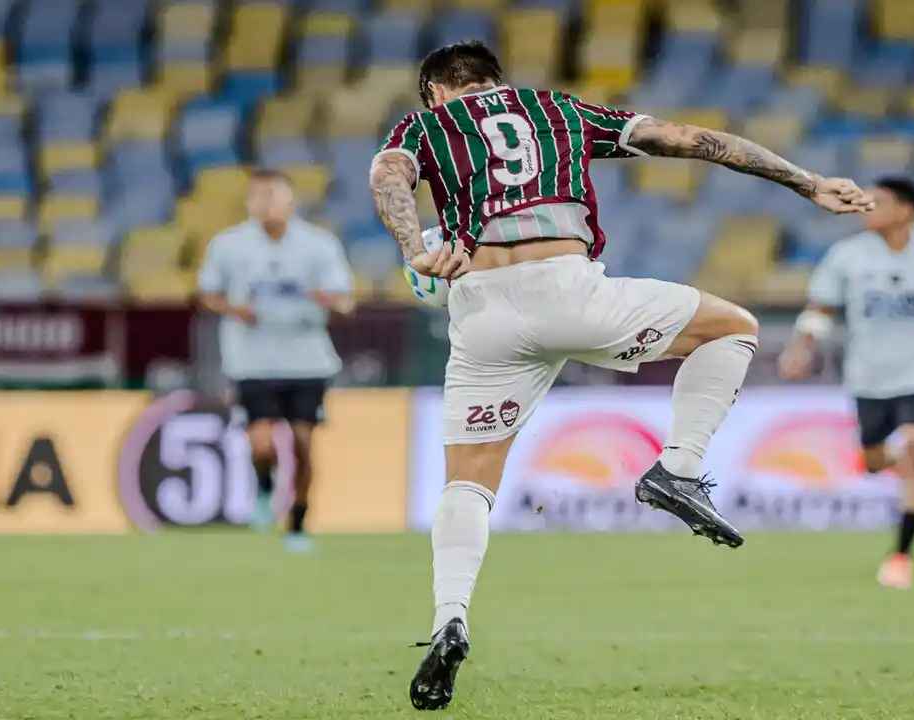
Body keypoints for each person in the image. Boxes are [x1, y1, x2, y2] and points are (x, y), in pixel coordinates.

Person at [369, 41, 875, 711]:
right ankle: (678, 468)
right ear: (496, 79)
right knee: (732, 328)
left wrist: (414, 249)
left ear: (434, 91)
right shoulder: (555, 109)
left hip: (482, 311)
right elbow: (692, 140)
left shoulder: (424, 125)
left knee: (468, 480)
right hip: (568, 291)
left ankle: (449, 619)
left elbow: (388, 175)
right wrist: (809, 183)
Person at [779, 177, 914, 590]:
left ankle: (901, 556)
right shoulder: (847, 256)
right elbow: (820, 308)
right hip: (870, 375)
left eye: (879, 202)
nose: (867, 208)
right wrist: (800, 348)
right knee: (873, 462)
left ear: (906, 210)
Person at [197, 168, 355, 553]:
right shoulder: (229, 245)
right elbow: (208, 294)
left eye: (274, 196)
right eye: (259, 197)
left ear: (291, 201)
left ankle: (297, 523)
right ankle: (265, 485)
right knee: (261, 444)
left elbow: (345, 302)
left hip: (307, 359)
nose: (267, 205)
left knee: (303, 443)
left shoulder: (319, 245)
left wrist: (327, 299)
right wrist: (235, 310)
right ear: (249, 202)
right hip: (252, 359)